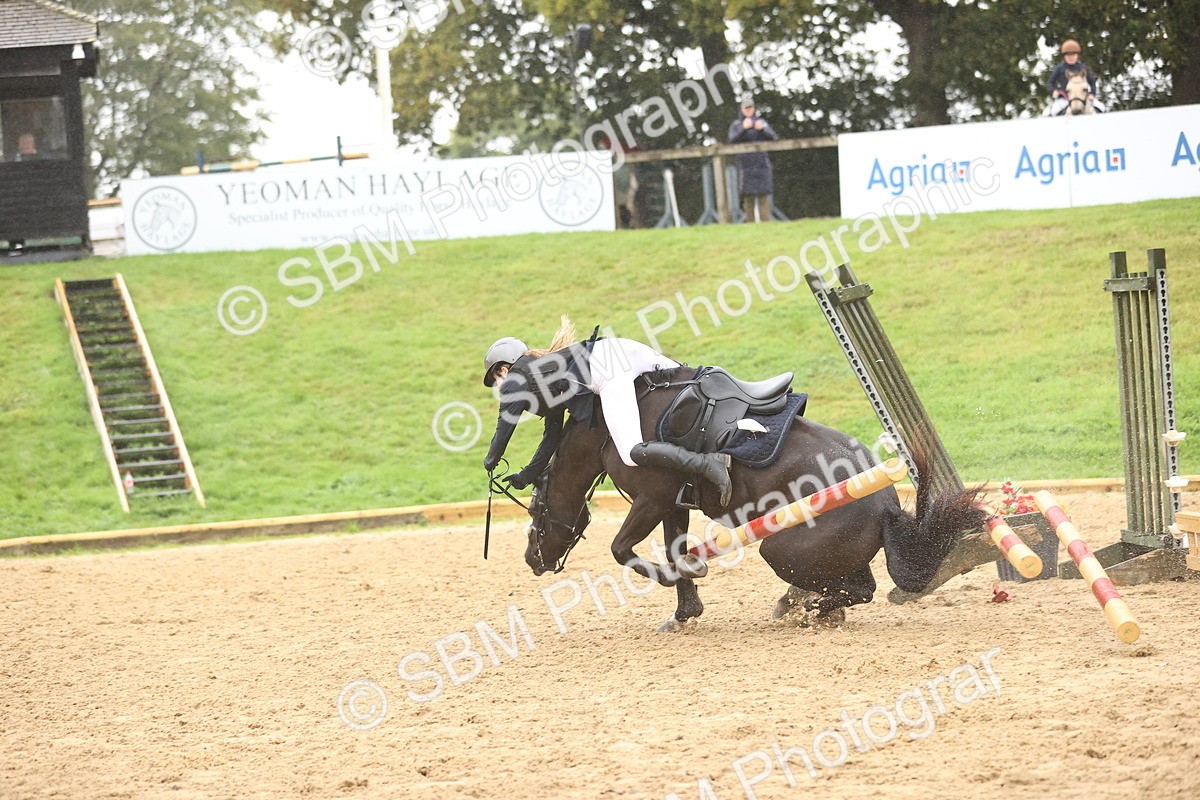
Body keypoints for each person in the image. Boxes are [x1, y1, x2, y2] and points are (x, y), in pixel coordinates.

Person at [481, 317, 733, 505]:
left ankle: (708, 464)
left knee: (632, 453)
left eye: (496, 379)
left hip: (608, 370)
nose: (499, 387)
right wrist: (527, 475)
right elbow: (552, 437)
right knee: (693, 384)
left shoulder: (516, 379)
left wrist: (490, 461)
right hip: (627, 350)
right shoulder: (545, 372)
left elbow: (505, 424)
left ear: (503, 368)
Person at [727, 96, 778, 223]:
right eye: (746, 108)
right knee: (748, 196)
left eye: (751, 107)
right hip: (745, 166)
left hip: (761, 164)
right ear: (742, 110)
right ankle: (751, 224)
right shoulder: (736, 125)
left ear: (754, 109)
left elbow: (773, 138)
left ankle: (765, 223)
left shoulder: (762, 122)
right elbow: (732, 140)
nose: (749, 110)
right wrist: (743, 129)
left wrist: (762, 130)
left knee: (763, 195)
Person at [1046, 39, 1101, 115]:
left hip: (1083, 98)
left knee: (1102, 108)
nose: (1071, 57)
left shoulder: (1083, 68)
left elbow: (1092, 82)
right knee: (1052, 111)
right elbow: (1050, 83)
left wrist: (1092, 93)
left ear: (1077, 55)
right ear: (1064, 56)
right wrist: (1054, 91)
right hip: (1065, 99)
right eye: (1068, 55)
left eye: (1073, 55)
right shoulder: (1059, 68)